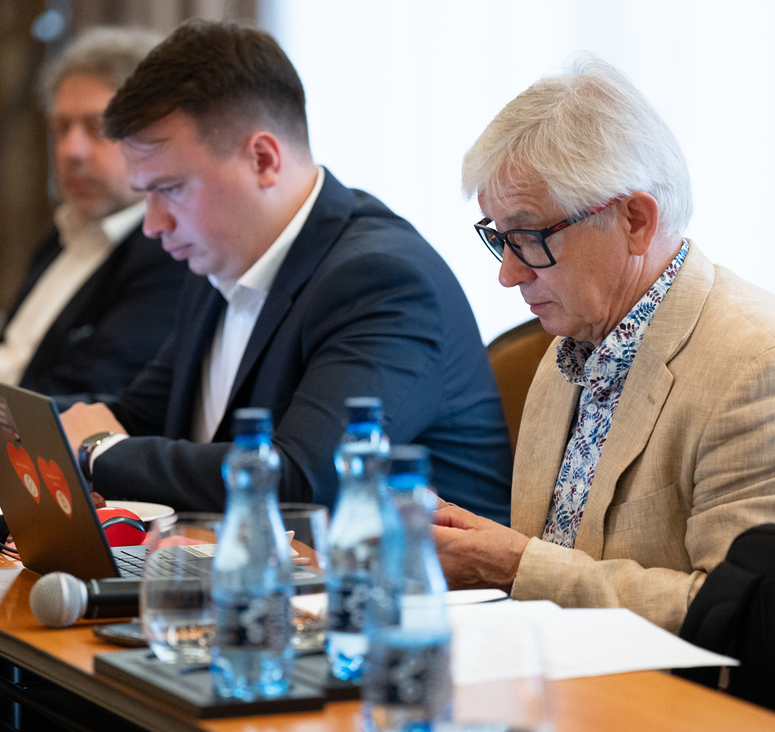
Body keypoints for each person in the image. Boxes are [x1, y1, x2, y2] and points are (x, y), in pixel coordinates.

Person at [431, 57, 775, 633]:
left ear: (635, 221)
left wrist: (514, 566)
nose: (508, 274)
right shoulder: (570, 354)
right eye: (501, 239)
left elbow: (753, 623)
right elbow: (556, 569)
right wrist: (471, 547)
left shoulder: (769, 370)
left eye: (529, 237)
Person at [57, 20, 512, 521]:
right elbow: (138, 415)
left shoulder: (384, 280)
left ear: (263, 159)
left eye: (169, 189)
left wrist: (98, 453)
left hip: (411, 570)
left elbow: (304, 483)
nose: (153, 224)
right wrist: (10, 428)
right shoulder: (219, 261)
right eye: (146, 194)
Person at [0, 26, 182, 399]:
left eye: (98, 128)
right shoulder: (59, 238)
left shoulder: (170, 252)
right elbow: (1, 363)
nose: (71, 150)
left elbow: (89, 392)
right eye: (61, 129)